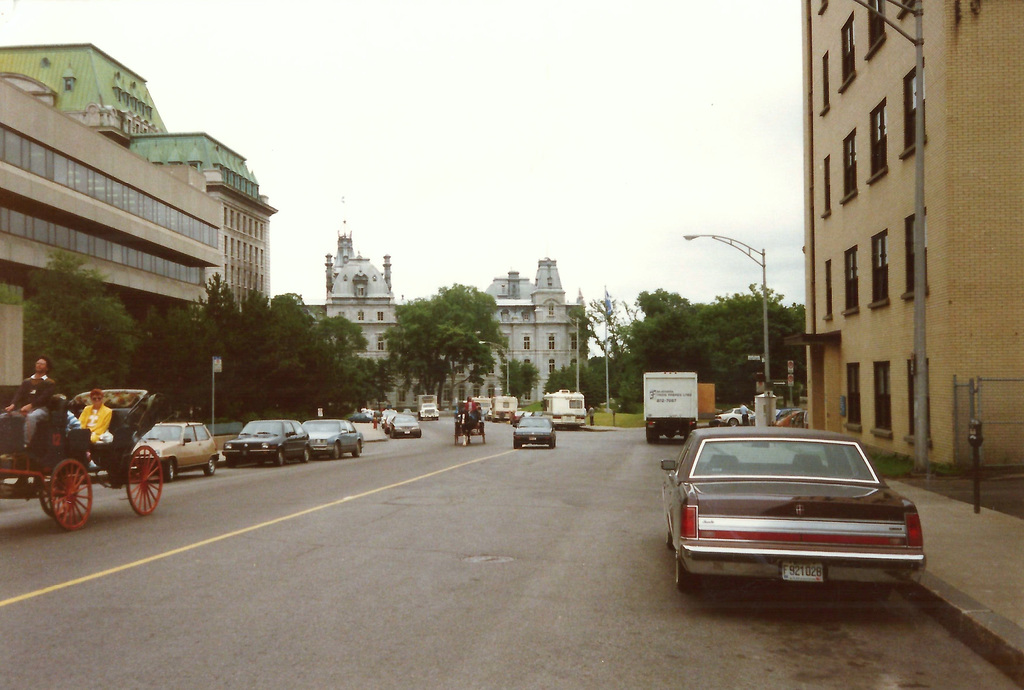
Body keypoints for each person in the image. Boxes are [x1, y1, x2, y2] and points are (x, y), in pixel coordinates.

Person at [1, 355, 56, 446]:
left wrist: (31, 405)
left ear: (47, 368)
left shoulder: (49, 383)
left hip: (41, 409)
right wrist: (13, 404)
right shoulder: (27, 381)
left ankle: (25, 443)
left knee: (31, 417)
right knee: (4, 416)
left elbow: (44, 398)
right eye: (37, 363)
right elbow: (19, 393)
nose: (39, 365)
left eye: (42, 364)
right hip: (25, 409)